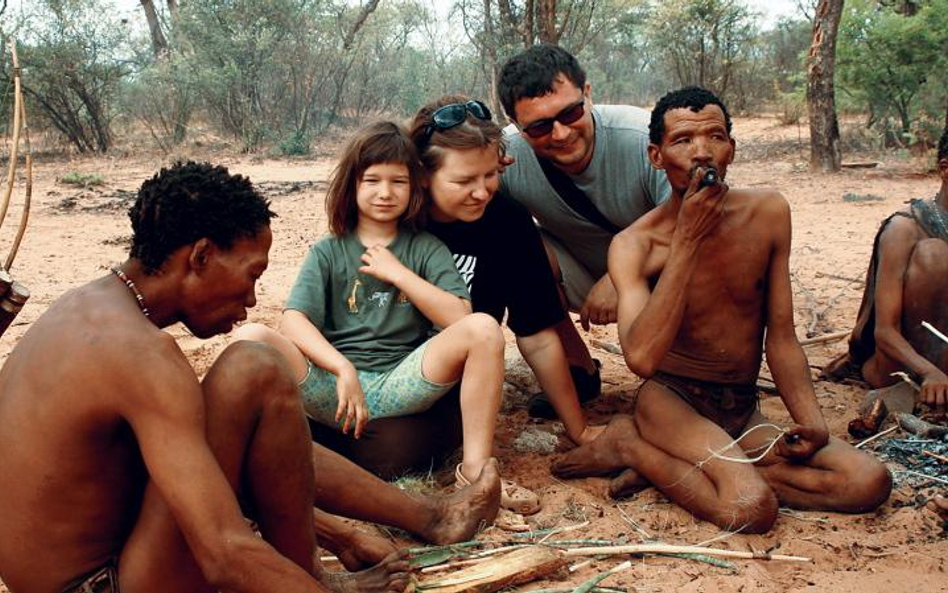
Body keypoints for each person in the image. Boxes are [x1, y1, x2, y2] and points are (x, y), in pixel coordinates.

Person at [0, 161, 420, 593]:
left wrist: (339, 534)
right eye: (252, 274)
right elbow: (224, 553)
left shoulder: (86, 307)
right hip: (102, 585)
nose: (253, 299)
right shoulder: (141, 354)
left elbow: (183, 481)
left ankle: (318, 568)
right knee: (257, 371)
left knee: (247, 378)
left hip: (85, 570)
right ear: (201, 256)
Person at [552, 87, 892, 533]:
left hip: (739, 406)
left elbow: (783, 337)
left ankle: (681, 474)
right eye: (682, 141)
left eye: (714, 136)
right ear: (656, 156)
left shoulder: (768, 213)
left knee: (868, 482)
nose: (701, 152)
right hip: (672, 402)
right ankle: (633, 446)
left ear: (732, 147)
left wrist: (812, 422)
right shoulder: (635, 245)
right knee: (750, 509)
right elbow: (641, 359)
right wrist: (688, 239)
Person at [234, 122, 538, 515]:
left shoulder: (426, 249)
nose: (385, 192)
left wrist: (398, 274)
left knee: (483, 328)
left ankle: (477, 473)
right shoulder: (328, 251)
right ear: (352, 185)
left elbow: (461, 317)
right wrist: (341, 368)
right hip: (335, 389)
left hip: (400, 382)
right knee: (252, 335)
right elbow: (293, 321)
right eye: (372, 180)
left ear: (415, 187)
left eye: (398, 181)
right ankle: (245, 461)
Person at [406, 94, 605, 446]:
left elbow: (538, 335)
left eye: (490, 175)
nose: (481, 192)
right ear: (423, 174)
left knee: (421, 443)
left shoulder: (507, 220)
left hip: (453, 379)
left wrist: (579, 429)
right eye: (464, 181)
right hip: (383, 362)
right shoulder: (396, 217)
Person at [496, 43, 672, 417]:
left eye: (571, 112)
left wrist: (622, 275)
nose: (560, 134)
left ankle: (692, 371)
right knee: (507, 241)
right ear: (514, 123)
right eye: (540, 126)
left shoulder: (643, 138)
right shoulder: (506, 157)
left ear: (588, 94)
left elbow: (696, 224)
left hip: (664, 271)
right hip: (579, 270)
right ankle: (577, 371)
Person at [822, 127, 948, 412]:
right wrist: (930, 372)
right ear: (944, 169)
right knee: (936, 255)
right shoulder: (904, 228)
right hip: (900, 368)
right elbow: (885, 331)